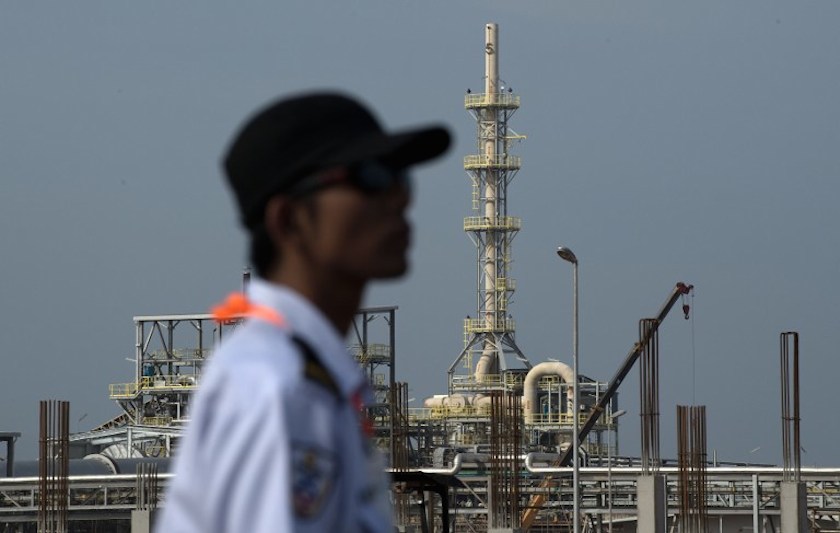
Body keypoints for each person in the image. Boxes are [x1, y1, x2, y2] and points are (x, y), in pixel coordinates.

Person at [155, 92, 450, 533]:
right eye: (371, 177)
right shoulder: (280, 387)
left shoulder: (305, 375)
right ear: (289, 219)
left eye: (402, 178)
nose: (399, 199)